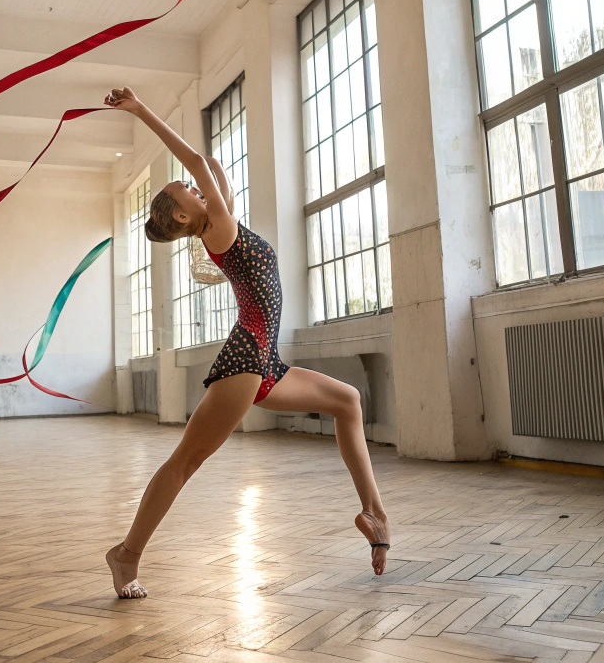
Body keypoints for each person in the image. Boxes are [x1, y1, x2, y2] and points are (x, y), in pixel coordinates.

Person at [103, 87, 390, 599]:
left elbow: (209, 165)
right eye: (186, 189)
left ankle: (375, 513)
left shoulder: (225, 225)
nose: (194, 184)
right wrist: (141, 108)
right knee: (185, 462)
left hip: (266, 361)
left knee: (348, 401)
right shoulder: (219, 229)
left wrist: (205, 172)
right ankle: (126, 555)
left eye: (193, 186)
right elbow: (198, 159)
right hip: (245, 359)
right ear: (190, 216)